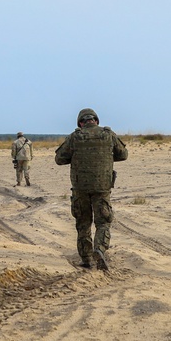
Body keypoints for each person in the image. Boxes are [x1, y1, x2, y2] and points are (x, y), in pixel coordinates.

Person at [55, 108, 128, 271]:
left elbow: (59, 159)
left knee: (83, 223)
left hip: (80, 187)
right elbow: (123, 154)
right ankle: (100, 249)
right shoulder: (108, 134)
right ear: (96, 120)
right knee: (103, 222)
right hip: (102, 187)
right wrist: (105, 156)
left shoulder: (75, 137)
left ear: (81, 122)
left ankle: (86, 258)